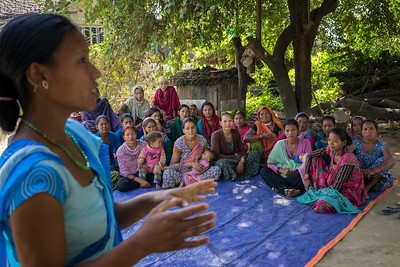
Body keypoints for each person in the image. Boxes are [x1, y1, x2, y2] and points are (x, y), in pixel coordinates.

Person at [0, 14, 217, 266]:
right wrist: (142, 244)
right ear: (38, 75)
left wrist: (162, 198)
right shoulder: (32, 176)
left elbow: (101, 214)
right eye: (82, 61)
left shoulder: (74, 135)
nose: (96, 72)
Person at [299, 128, 366, 213]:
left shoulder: (348, 159)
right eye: (329, 140)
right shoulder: (331, 150)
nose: (331, 143)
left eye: (334, 141)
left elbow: (337, 186)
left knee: (321, 206)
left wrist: (321, 194)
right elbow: (310, 156)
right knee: (315, 160)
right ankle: (320, 196)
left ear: (344, 143)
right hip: (331, 185)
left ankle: (321, 197)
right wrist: (307, 177)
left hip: (346, 192)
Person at [163, 118, 221, 188]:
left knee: (217, 170)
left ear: (196, 128)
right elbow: (174, 163)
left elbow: (207, 155)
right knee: (168, 173)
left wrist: (200, 165)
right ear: (183, 130)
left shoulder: (202, 139)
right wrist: (191, 164)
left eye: (193, 127)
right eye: (187, 128)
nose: (191, 131)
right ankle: (193, 182)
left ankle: (187, 182)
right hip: (182, 171)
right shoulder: (179, 143)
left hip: (198, 171)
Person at [260, 119, 312, 197]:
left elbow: (308, 163)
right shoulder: (280, 144)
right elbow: (270, 163)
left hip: (298, 175)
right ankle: (295, 191)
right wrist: (281, 170)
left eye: (293, 130)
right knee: (264, 171)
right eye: (287, 130)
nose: (290, 133)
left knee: (305, 171)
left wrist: (296, 170)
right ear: (284, 132)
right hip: (282, 174)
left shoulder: (306, 143)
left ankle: (280, 187)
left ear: (298, 131)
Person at [211, 112, 260, 181]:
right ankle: (237, 175)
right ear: (220, 123)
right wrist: (233, 157)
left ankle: (236, 174)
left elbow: (242, 150)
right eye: (225, 121)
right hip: (225, 161)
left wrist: (241, 162)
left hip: (237, 159)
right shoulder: (215, 135)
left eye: (230, 121)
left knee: (255, 154)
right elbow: (216, 156)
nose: (228, 123)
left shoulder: (236, 132)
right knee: (223, 163)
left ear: (232, 122)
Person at [353, 120, 395, 192]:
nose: (368, 131)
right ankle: (361, 184)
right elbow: (345, 154)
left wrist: (372, 171)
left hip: (376, 180)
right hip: (360, 175)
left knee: (384, 160)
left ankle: (367, 188)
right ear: (361, 132)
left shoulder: (382, 145)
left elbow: (391, 161)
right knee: (352, 157)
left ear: (376, 130)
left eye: (371, 129)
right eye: (365, 129)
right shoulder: (356, 143)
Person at [115, 125, 149, 191]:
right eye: (127, 135)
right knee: (121, 185)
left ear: (136, 134)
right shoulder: (121, 150)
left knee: (158, 173)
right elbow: (124, 172)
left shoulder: (144, 145)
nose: (131, 137)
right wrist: (140, 181)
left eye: (133, 133)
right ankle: (141, 182)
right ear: (124, 137)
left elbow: (149, 161)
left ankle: (143, 181)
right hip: (130, 175)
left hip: (144, 171)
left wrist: (144, 169)